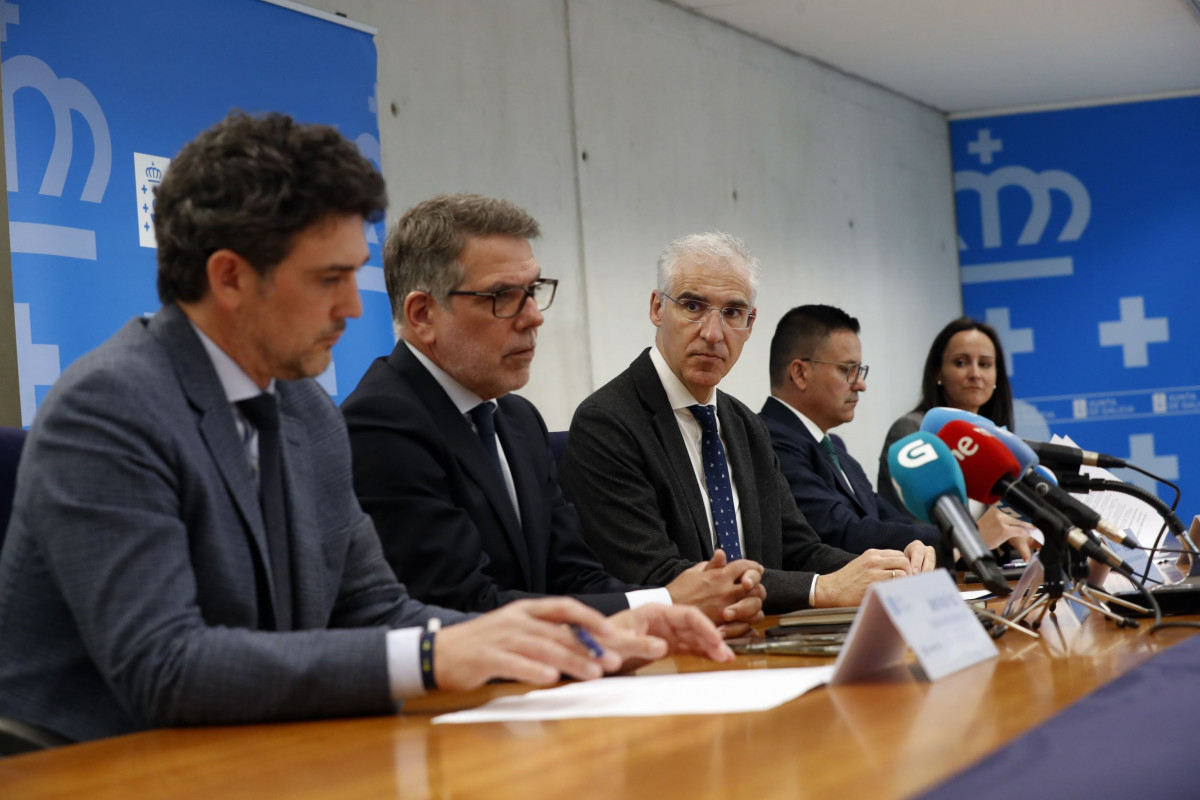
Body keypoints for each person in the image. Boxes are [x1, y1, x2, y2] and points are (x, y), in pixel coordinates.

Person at [0, 113, 730, 744]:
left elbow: (378, 608)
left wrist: (581, 632)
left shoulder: (303, 410)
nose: (354, 308)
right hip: (103, 764)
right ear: (229, 278)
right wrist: (431, 657)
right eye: (329, 279)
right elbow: (166, 666)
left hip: (271, 748)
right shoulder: (107, 409)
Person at [342, 194, 763, 633]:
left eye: (534, 291)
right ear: (423, 314)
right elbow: (463, 606)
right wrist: (668, 604)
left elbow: (575, 575)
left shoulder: (516, 419)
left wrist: (671, 615)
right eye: (503, 297)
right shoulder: (382, 423)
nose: (532, 317)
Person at [560, 232, 932, 615]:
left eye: (733, 313)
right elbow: (655, 574)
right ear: (657, 308)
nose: (713, 333)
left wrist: (890, 567)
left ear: (750, 325)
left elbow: (797, 549)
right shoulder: (607, 422)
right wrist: (822, 588)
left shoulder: (744, 424)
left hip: (758, 640)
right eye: (692, 306)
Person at [759, 304, 942, 556]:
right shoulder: (767, 439)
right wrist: (963, 541)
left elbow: (887, 521)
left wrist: (956, 541)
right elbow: (840, 532)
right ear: (800, 373)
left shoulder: (833, 447)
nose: (861, 384)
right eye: (848, 370)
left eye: (860, 370)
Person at [876, 316, 1034, 557]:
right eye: (961, 363)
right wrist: (978, 537)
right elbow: (914, 533)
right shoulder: (913, 431)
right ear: (938, 372)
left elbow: (997, 532)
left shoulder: (997, 438)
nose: (975, 374)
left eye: (985, 364)